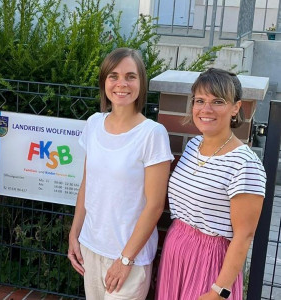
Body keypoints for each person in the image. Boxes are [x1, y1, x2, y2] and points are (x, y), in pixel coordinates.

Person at [67, 48, 173, 299]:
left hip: (129, 257)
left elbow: (155, 206)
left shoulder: (152, 134)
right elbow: (87, 185)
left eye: (130, 76)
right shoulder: (94, 123)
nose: (121, 84)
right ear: (104, 82)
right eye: (113, 76)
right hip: (91, 247)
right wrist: (74, 233)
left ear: (141, 83)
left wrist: (126, 260)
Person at [155, 68, 266, 300]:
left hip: (211, 260)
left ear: (236, 107)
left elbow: (244, 235)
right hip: (177, 249)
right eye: (200, 101)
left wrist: (219, 291)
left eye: (217, 101)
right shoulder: (193, 145)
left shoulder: (245, 164)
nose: (206, 109)